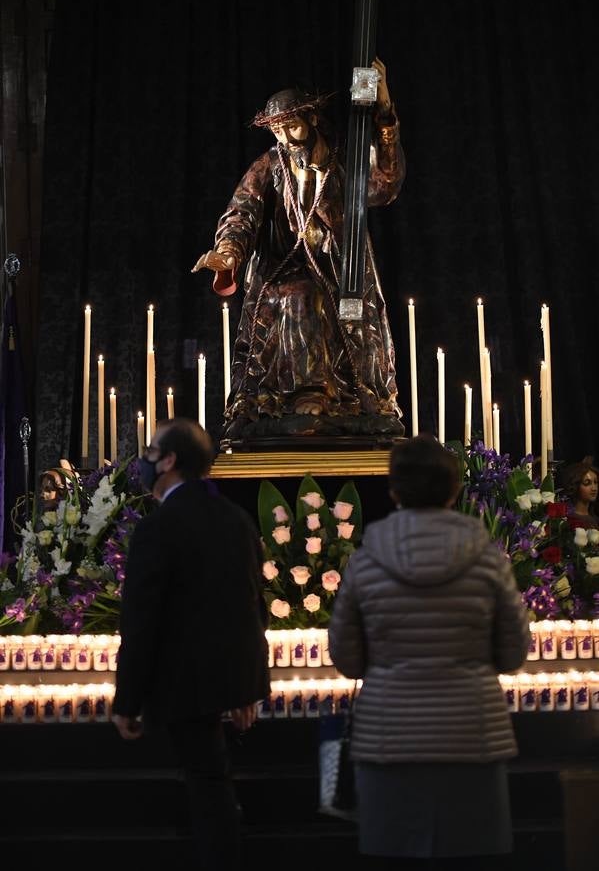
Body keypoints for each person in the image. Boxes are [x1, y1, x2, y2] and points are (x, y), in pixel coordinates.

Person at [327, 434, 530, 870]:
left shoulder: (367, 560)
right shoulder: (487, 558)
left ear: (394, 490)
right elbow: (514, 653)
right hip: (471, 734)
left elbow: (346, 658)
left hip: (389, 736)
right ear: (455, 490)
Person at [192, 57, 406, 443]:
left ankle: (346, 397)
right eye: (278, 131)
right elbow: (242, 212)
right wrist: (228, 252)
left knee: (335, 303)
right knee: (299, 295)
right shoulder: (270, 165)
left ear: (311, 120)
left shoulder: (344, 158)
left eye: (292, 127)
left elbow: (384, 185)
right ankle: (303, 394)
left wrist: (385, 113)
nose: (287, 140)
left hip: (342, 267)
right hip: (285, 266)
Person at [112, 417, 270, 870]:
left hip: (181, 684)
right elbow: (252, 606)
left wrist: (127, 699)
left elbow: (141, 621)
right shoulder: (237, 519)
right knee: (212, 782)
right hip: (230, 681)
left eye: (150, 451)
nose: (145, 460)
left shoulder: (158, 527)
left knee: (207, 789)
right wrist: (248, 685)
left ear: (168, 461)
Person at [562, 457, 599, 530]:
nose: (594, 488)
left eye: (595, 482)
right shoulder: (567, 520)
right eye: (587, 483)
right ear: (575, 486)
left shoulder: (596, 520)